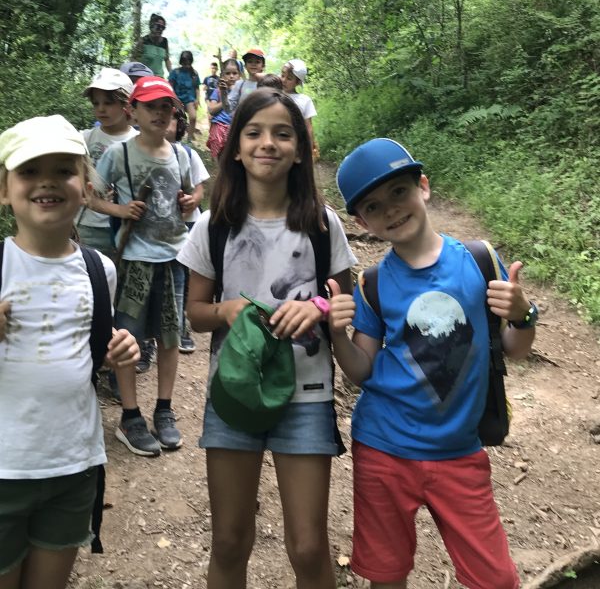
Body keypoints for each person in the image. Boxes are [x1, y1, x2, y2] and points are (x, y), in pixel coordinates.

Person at [330, 138, 538, 589]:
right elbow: (361, 370)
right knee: (387, 575)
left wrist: (523, 314)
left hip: (460, 452)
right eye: (373, 206)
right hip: (384, 449)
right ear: (362, 222)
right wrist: (336, 335)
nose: (391, 209)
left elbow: (515, 348)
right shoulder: (372, 284)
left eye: (399, 191)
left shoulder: (479, 261)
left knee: (496, 579)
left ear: (423, 187)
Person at [177, 89, 357, 589]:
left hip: (307, 395)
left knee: (309, 546)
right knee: (230, 541)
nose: (268, 143)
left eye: (283, 134)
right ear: (235, 147)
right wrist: (226, 310)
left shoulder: (322, 225)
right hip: (233, 393)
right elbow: (196, 314)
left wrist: (319, 308)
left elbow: (345, 300)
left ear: (300, 150)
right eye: (254, 133)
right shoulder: (213, 227)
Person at [0, 115, 139, 589]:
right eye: (29, 171)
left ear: (86, 188)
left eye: (63, 170)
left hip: (73, 466)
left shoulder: (99, 270)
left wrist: (117, 348)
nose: (47, 181)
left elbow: (91, 346)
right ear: (5, 190)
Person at [91, 76, 195, 456]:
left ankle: (164, 410)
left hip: (174, 260)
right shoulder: (118, 154)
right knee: (127, 338)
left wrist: (190, 201)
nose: (160, 113)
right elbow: (90, 195)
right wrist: (120, 210)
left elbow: (193, 193)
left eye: (166, 106)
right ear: (132, 111)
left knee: (170, 338)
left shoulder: (181, 154)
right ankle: (130, 417)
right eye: (150, 106)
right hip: (134, 259)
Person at [78, 67, 138, 259]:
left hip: (126, 226)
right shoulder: (85, 139)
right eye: (96, 103)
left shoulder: (138, 141)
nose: (101, 109)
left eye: (108, 103)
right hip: (87, 225)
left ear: (127, 104)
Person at [165, 107, 209, 353]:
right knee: (170, 275)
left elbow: (199, 187)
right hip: (162, 226)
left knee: (184, 273)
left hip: (188, 223)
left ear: (180, 125)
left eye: (170, 119)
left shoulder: (187, 153)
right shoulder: (142, 153)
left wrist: (193, 200)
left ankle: (182, 325)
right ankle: (170, 326)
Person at [280, 59, 318, 156]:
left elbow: (308, 127)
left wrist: (310, 150)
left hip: (297, 144)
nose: (284, 80)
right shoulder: (274, 95)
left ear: (298, 82)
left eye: (289, 78)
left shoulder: (305, 100)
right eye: (282, 75)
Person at [205, 58, 240, 160]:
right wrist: (226, 98)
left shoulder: (242, 92)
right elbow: (211, 110)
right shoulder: (218, 91)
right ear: (223, 76)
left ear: (239, 75)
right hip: (219, 127)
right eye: (227, 73)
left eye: (234, 73)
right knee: (219, 158)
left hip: (235, 129)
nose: (231, 76)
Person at [169, 51, 201, 142]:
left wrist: (197, 99)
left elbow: (197, 88)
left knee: (193, 117)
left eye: (188, 62)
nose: (186, 65)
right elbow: (170, 87)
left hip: (189, 99)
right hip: (177, 98)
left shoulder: (194, 73)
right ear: (181, 62)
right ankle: (176, 138)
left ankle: (189, 138)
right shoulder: (175, 72)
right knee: (179, 119)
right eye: (185, 63)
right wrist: (175, 99)